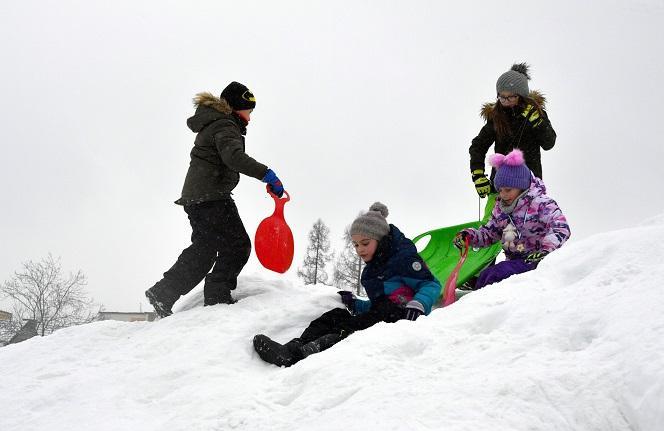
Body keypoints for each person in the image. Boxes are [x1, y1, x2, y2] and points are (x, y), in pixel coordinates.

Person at [145, 81, 285, 317]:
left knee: (205, 249)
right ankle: (217, 297)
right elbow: (234, 157)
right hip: (211, 198)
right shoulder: (225, 125)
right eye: (248, 112)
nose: (249, 119)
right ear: (235, 107)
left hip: (197, 197)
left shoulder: (216, 123)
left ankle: (164, 293)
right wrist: (267, 175)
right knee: (237, 246)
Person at [253, 202, 441, 367]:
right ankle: (293, 347)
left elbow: (431, 284)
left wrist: (418, 304)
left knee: (359, 324)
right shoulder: (372, 271)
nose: (359, 250)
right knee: (337, 315)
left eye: (365, 243)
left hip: (401, 317)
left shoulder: (403, 259)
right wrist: (355, 303)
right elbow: (376, 305)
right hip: (382, 313)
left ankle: (307, 353)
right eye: (355, 245)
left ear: (380, 239)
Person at [454, 149, 570, 290]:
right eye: (500, 190)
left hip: (538, 262)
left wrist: (545, 251)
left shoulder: (541, 203)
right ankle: (482, 302)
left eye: (508, 190)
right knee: (487, 275)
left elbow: (561, 227)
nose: (503, 194)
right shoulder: (501, 209)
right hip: (514, 262)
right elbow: (489, 234)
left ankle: (485, 300)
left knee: (496, 274)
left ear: (522, 187)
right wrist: (469, 237)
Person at [469, 63, 557, 198]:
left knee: (530, 219)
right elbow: (478, 146)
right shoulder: (496, 117)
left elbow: (549, 143)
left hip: (529, 188)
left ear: (522, 95)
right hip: (501, 187)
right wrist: (478, 175)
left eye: (511, 97)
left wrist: (538, 122)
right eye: (502, 97)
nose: (506, 101)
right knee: (493, 219)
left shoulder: (536, 114)